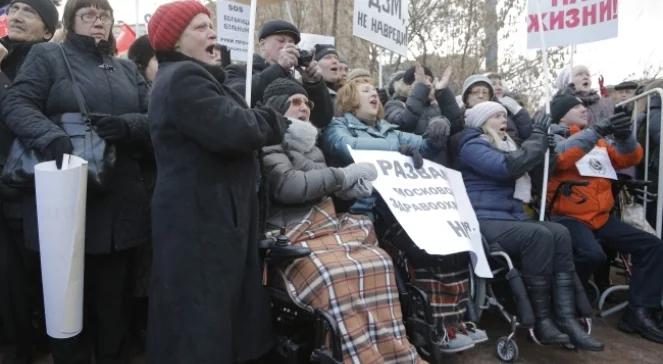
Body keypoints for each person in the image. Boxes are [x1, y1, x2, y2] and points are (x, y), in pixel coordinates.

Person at [3, 0, 151, 362]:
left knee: (113, 309)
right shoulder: (48, 57)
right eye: (89, 14)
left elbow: (157, 118)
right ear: (71, 22)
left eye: (105, 16)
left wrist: (129, 126)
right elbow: (17, 104)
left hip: (119, 205)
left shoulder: (127, 68)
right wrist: (51, 136)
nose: (98, 22)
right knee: (65, 309)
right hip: (64, 200)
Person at [145, 2, 290, 362]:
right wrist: (278, 121)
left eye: (211, 24)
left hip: (209, 220)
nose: (212, 32)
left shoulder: (197, 79)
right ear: (175, 42)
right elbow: (235, 129)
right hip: (199, 224)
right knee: (200, 322)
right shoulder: (183, 79)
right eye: (199, 27)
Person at [261, 78, 422, 362]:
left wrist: (348, 193)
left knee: (379, 260)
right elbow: (288, 186)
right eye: (295, 102)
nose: (304, 108)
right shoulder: (269, 142)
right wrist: (341, 176)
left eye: (306, 102)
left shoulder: (312, 146)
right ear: (277, 107)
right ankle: (353, 355)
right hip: (290, 232)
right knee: (332, 275)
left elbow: (324, 193)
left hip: (324, 228)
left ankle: (392, 352)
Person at [321, 78, 486, 353]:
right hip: (365, 215)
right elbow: (347, 147)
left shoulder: (392, 131)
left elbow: (425, 148)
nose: (374, 94)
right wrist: (397, 150)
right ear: (349, 99)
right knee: (424, 249)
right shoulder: (337, 128)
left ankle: (454, 321)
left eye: (374, 91)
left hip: (403, 211)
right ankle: (436, 327)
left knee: (451, 242)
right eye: (365, 91)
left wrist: (437, 133)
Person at [456, 101, 604, 350]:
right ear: (481, 122)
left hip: (511, 217)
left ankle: (566, 318)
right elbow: (508, 167)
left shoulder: (510, 145)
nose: (503, 119)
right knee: (537, 235)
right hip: (483, 220)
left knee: (559, 232)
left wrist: (546, 146)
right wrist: (535, 138)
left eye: (505, 115)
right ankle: (542, 320)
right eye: (496, 116)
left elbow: (542, 172)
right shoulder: (472, 145)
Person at [547, 94, 663, 344]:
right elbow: (561, 158)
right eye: (576, 106)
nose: (583, 108)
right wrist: (596, 130)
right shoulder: (553, 136)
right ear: (561, 114)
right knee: (592, 255)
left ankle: (639, 312)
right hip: (568, 216)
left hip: (600, 217)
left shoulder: (598, 140)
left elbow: (629, 159)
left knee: (652, 246)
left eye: (584, 105)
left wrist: (624, 137)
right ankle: (566, 302)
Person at [0, 1, 58, 362]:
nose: (16, 15)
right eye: (14, 8)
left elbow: (22, 115)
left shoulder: (52, 63)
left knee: (32, 275)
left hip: (31, 188)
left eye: (29, 12)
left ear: (49, 31)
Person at [384, 63, 461, 166]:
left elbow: (457, 127)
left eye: (430, 80)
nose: (429, 84)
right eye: (423, 80)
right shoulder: (394, 105)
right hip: (411, 169)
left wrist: (443, 93)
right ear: (408, 86)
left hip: (440, 171)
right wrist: (421, 89)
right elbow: (404, 124)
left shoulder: (438, 107)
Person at [225, 19, 300, 106]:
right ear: (262, 45)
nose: (287, 46)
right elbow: (235, 96)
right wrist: (278, 68)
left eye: (291, 42)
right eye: (281, 41)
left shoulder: (293, 80)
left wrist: (313, 84)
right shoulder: (238, 70)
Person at [461, 74, 533, 145]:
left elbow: (516, 141)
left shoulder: (502, 114)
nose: (481, 95)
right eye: (475, 92)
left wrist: (520, 112)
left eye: (485, 92)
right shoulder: (459, 121)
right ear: (466, 98)